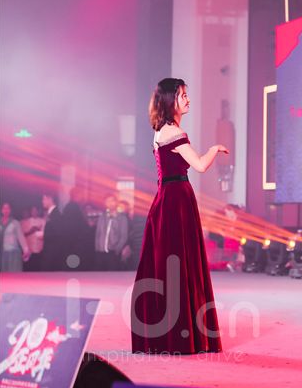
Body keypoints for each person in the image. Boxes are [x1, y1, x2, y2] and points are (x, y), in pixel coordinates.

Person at [132, 78, 226, 354]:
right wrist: (214, 149)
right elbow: (200, 165)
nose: (187, 99)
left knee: (168, 265)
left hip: (167, 199)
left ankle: (169, 334)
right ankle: (182, 335)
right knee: (180, 265)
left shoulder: (161, 131)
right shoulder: (173, 132)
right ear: (169, 100)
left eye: (186, 94)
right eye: (182, 95)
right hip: (177, 201)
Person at [94, 194, 129, 271]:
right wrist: (97, 248)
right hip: (100, 252)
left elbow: (124, 236)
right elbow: (98, 234)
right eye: (107, 201)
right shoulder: (102, 217)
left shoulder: (122, 218)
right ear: (105, 203)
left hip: (113, 253)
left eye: (112, 201)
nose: (110, 203)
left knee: (112, 274)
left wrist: (117, 250)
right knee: (99, 275)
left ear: (116, 202)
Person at [0, 202, 30, 272]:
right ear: (1, 210)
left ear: (10, 210)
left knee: (14, 275)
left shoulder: (15, 223)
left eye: (8, 208)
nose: (6, 210)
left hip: (13, 253)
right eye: (4, 208)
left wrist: (26, 250)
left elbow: (21, 237)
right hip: (1, 254)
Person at [21, 206, 45, 271]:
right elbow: (22, 235)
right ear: (30, 212)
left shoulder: (42, 221)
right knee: (29, 268)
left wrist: (38, 229)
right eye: (33, 211)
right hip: (29, 249)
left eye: (35, 211)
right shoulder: (26, 221)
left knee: (38, 267)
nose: (34, 212)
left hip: (39, 249)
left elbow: (45, 234)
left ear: (38, 211)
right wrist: (31, 231)